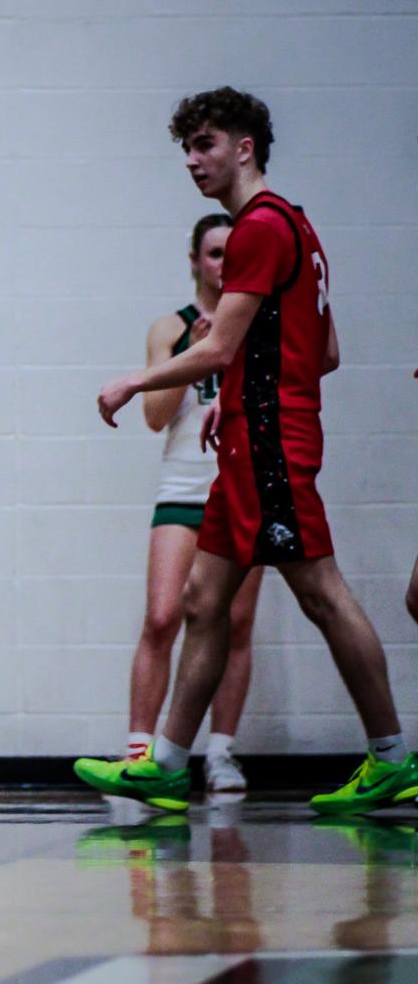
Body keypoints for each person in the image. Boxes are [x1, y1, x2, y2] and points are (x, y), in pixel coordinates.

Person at [79, 86, 415, 813]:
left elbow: (219, 346)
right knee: (203, 602)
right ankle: (166, 764)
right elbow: (322, 351)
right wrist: (235, 403)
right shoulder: (297, 225)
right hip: (250, 435)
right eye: (186, 149)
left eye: (205, 144)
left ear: (244, 146)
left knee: (322, 594)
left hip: (268, 444)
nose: (193, 161)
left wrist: (134, 380)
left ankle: (391, 757)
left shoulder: (259, 229)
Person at [118, 214, 263, 793]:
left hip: (242, 480)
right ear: (194, 260)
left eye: (232, 253)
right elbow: (155, 418)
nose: (223, 264)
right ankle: (138, 749)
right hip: (183, 484)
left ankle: (221, 753)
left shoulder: (256, 320)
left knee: (235, 622)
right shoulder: (169, 328)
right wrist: (195, 353)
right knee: (161, 617)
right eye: (213, 253)